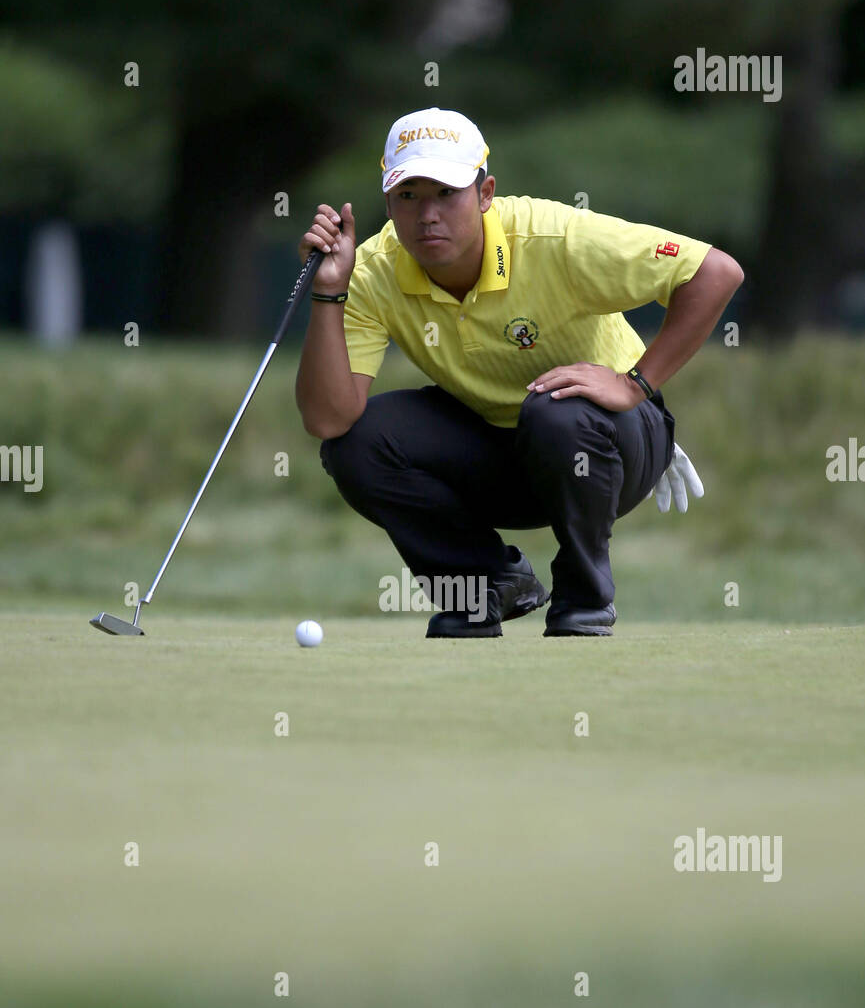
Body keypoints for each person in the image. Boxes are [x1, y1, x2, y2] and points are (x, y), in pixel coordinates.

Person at [296, 107, 744, 637]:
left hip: (606, 442)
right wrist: (329, 291)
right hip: (503, 452)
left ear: (485, 194)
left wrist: (635, 384)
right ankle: (484, 586)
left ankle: (583, 600)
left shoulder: (555, 238)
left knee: (558, 415)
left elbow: (715, 271)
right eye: (409, 196)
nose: (427, 215)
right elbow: (329, 418)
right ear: (388, 201)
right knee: (356, 444)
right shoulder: (369, 270)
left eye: (446, 193)